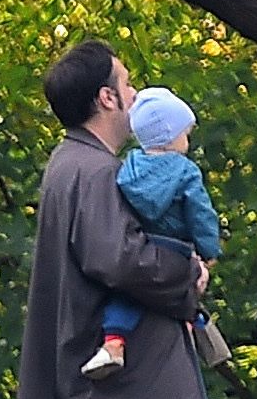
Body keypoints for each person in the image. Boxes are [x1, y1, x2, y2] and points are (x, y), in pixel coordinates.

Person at [17, 42, 213, 399]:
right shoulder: (96, 170)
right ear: (106, 98)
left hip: (103, 380)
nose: (134, 96)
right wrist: (189, 276)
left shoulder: (68, 165)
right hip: (134, 385)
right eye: (127, 86)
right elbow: (119, 259)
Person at [83, 88, 221, 376]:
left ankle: (113, 344)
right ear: (171, 134)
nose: (187, 139)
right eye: (185, 132)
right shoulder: (186, 171)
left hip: (145, 243)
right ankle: (196, 328)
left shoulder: (128, 168)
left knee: (127, 296)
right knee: (184, 289)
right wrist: (208, 250)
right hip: (176, 248)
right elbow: (200, 213)